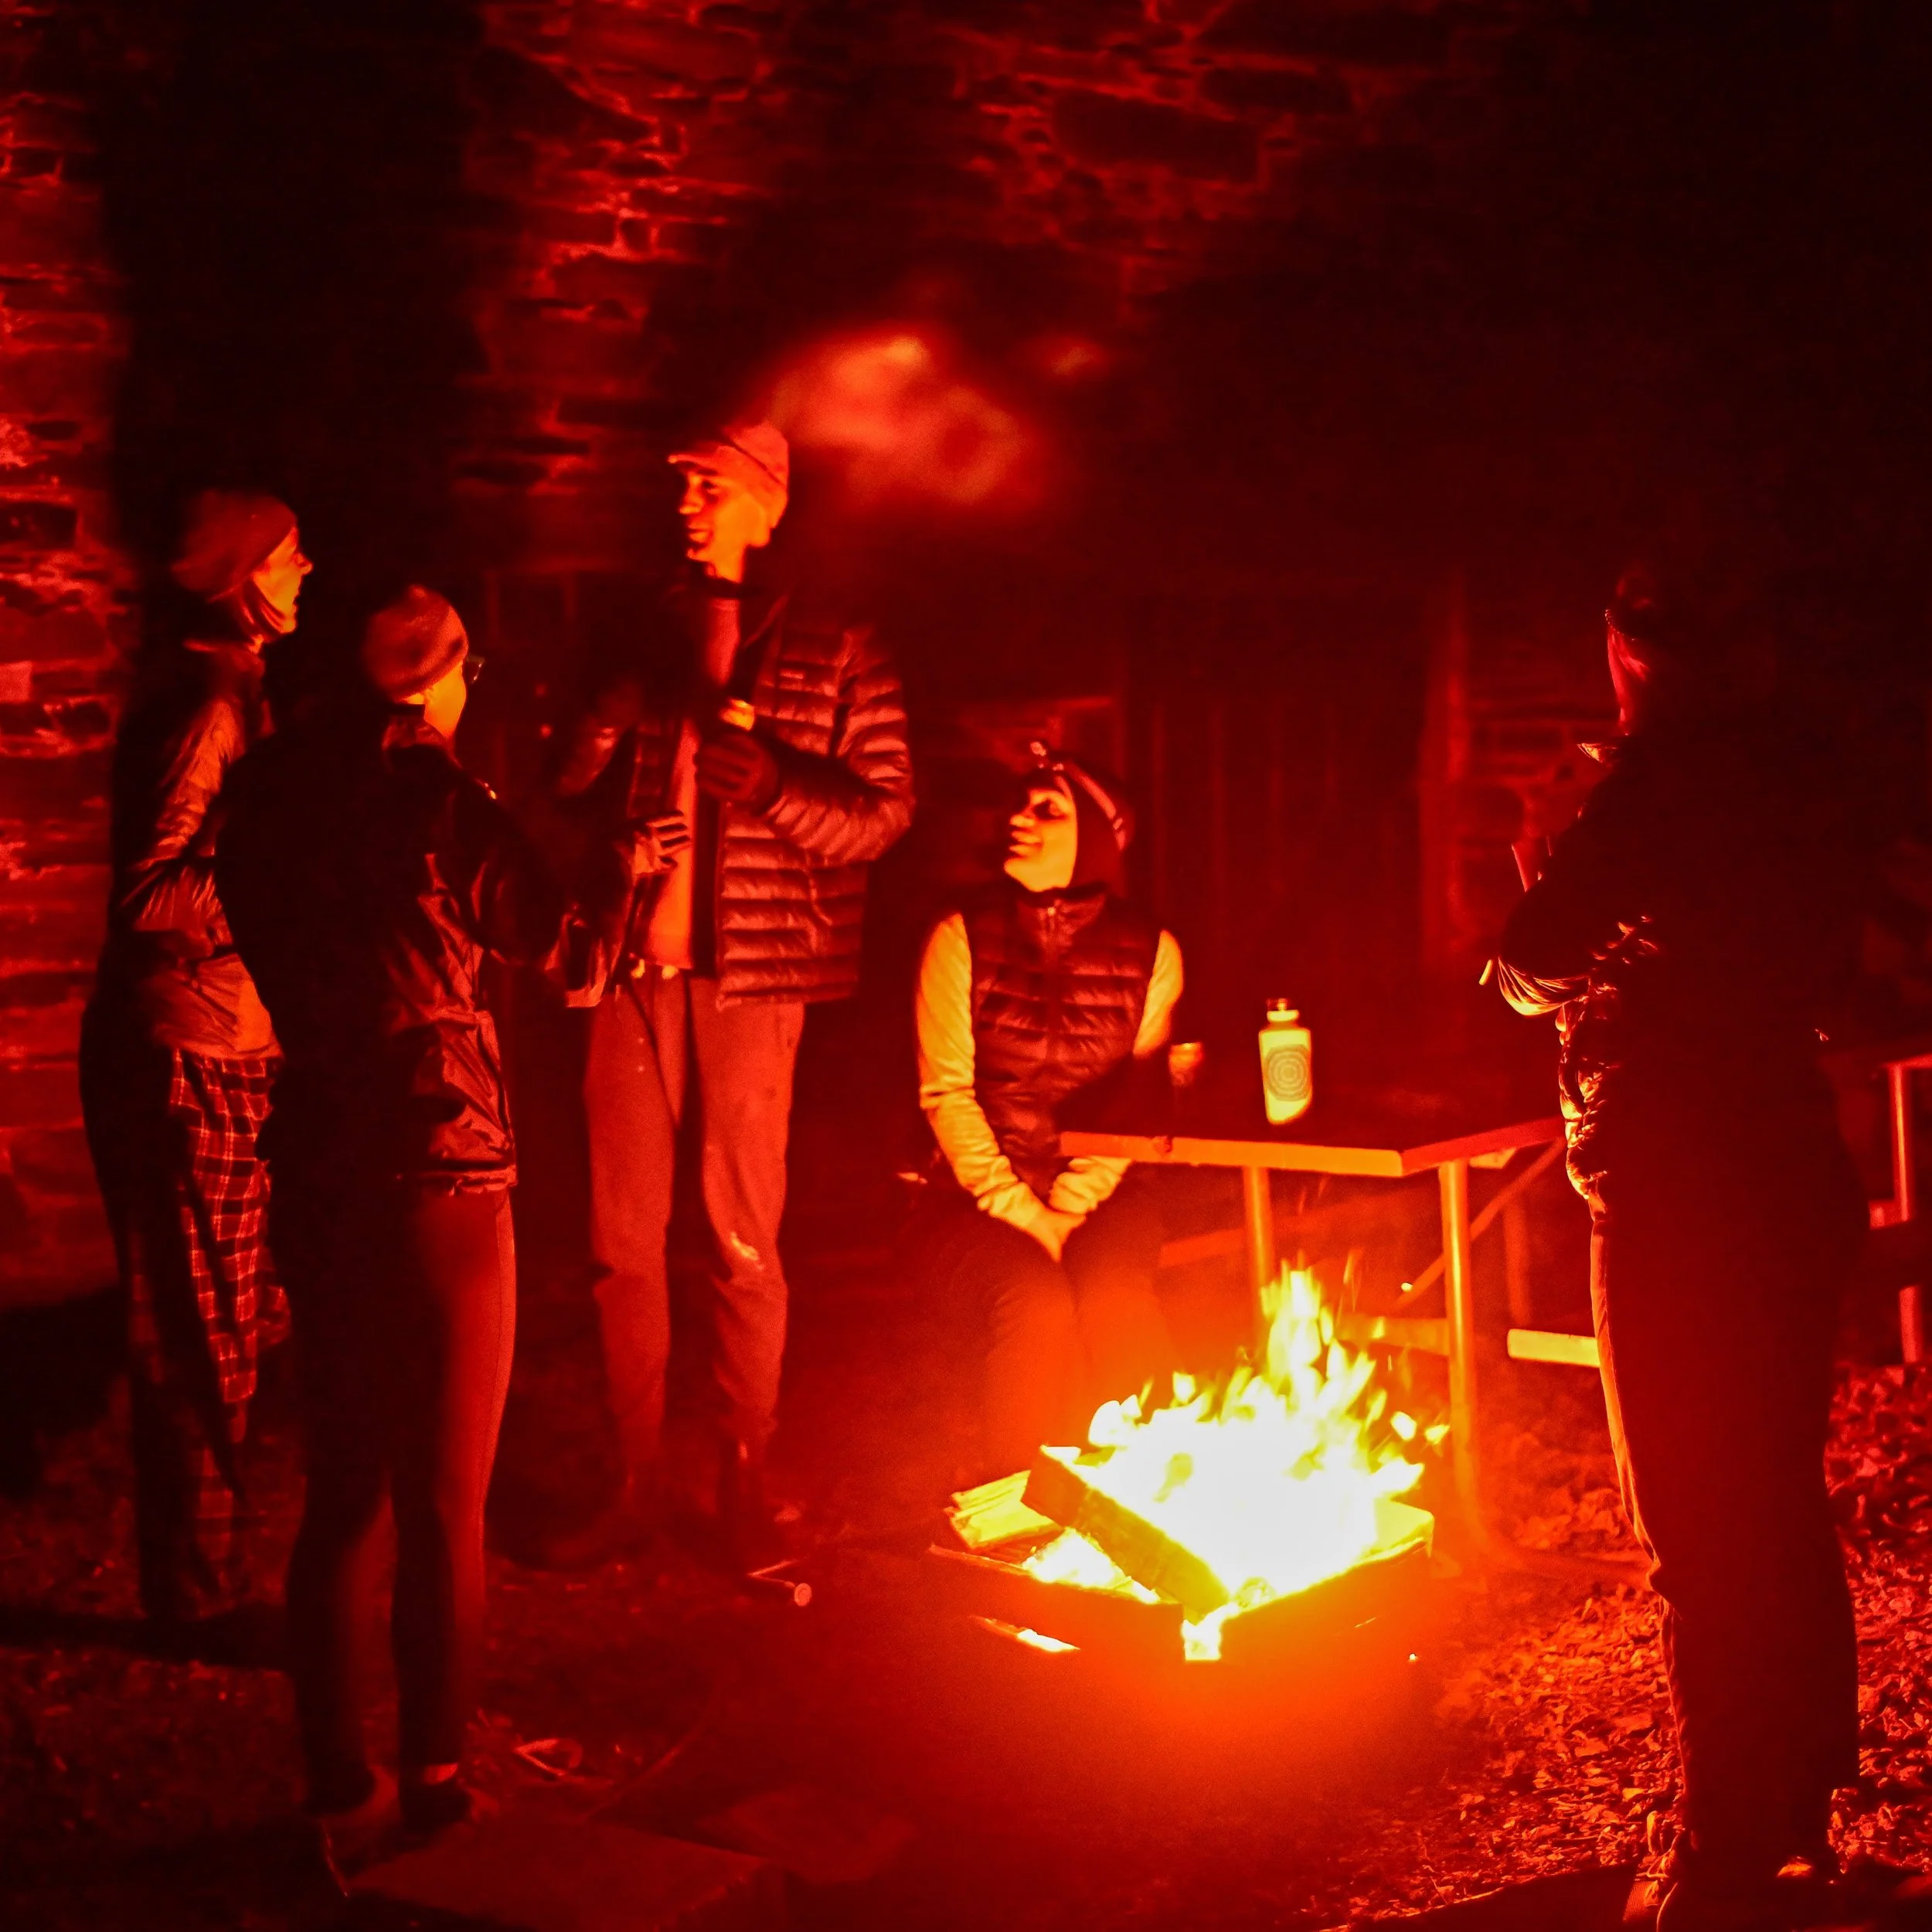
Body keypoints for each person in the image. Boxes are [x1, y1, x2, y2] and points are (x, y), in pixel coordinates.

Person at [216, 587, 645, 1843]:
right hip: (445, 1169)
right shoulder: (447, 807)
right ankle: (441, 1782)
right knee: (447, 1497)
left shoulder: (274, 796)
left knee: (346, 1481)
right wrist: (621, 870)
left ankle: (337, 1780)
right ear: (442, 681)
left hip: (324, 1157)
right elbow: (570, 962)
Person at [1494, 562, 1866, 1932]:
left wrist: (1547, 844)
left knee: (1697, 1529)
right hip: (1784, 1170)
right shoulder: (1804, 776)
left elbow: (1530, 963)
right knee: (1773, 1493)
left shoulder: (1654, 793)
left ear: (1635, 661)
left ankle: (1722, 1854)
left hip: (1671, 1189)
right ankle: (1799, 1811)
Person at [546, 419, 913, 1569]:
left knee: (743, 1236)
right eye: (685, 486)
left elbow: (886, 812)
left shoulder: (836, 646)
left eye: (709, 487)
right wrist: (603, 734)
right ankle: (635, 1477)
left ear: (765, 504)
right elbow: (561, 784)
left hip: (754, 978)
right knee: (622, 1240)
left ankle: (745, 1473)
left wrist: (779, 785)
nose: (689, 506)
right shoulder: (647, 626)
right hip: (634, 974)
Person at [80, 488, 311, 1651]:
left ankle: (206, 1576)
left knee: (232, 1318)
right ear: (239, 578)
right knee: (201, 1329)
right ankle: (202, 1596)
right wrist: (276, 863)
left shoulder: (239, 691)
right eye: (288, 554)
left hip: (227, 1037)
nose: (309, 569)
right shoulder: (209, 708)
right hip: (185, 1048)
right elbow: (147, 896)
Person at [916, 746, 1182, 1480]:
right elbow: (947, 1094)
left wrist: (1075, 1198)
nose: (1019, 819)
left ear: (1095, 836)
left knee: (1114, 1295)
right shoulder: (958, 940)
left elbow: (1143, 1094)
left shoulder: (1152, 951)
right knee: (1032, 1305)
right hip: (970, 1203)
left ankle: (1159, 1494)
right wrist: (1028, 1216)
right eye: (1020, 804)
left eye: (1048, 809)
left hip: (1106, 1194)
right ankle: (1015, 1509)